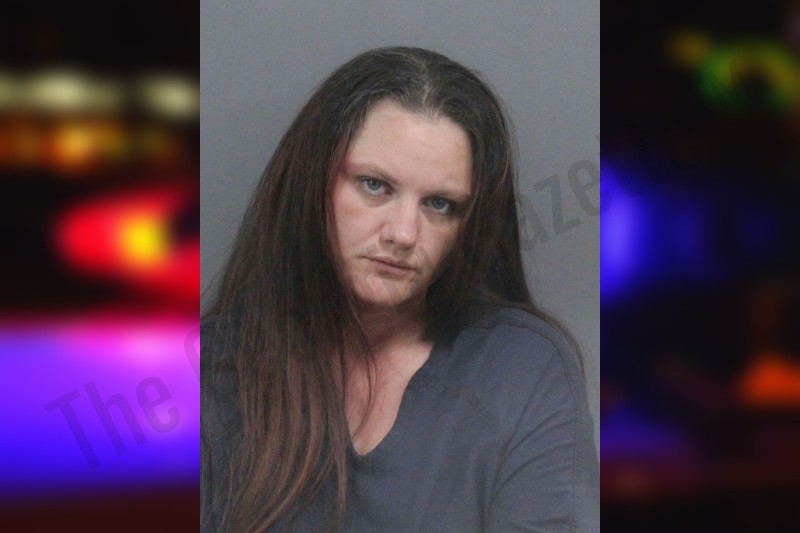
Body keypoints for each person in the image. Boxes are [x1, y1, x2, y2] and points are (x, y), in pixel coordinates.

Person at [201, 46, 598, 532]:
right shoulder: (209, 372)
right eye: (374, 185)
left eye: (440, 204)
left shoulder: (520, 370)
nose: (404, 233)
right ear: (312, 184)